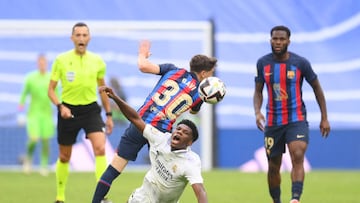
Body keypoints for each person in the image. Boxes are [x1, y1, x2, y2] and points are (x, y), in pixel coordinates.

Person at [92, 40, 217, 202]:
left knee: (115, 167)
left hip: (140, 122)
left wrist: (142, 54)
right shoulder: (200, 94)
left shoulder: (173, 70)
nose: (211, 77)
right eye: (211, 73)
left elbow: (143, 66)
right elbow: (193, 110)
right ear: (204, 74)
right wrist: (206, 95)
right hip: (161, 134)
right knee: (168, 176)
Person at [253, 25, 331, 203]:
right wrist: (257, 112)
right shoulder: (263, 63)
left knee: (297, 154)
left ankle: (295, 198)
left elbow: (317, 89)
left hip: (297, 118)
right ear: (270, 40)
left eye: (282, 39)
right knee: (273, 166)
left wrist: (324, 117)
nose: (278, 42)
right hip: (273, 121)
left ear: (289, 41)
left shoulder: (300, 63)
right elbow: (258, 91)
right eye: (275, 39)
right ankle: (277, 201)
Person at [100, 86, 208, 203]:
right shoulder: (160, 138)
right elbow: (135, 119)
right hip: (140, 199)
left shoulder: (191, 162)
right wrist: (115, 98)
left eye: (185, 132)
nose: (179, 132)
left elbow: (200, 192)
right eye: (178, 129)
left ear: (190, 142)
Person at [48, 22, 114, 203]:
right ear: (72, 38)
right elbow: (51, 90)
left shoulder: (98, 62)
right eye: (78, 35)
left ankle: (101, 197)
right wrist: (61, 107)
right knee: (64, 156)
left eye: (85, 35)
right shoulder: (61, 60)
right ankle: (60, 196)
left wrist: (108, 115)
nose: (81, 38)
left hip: (91, 110)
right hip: (68, 110)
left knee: (100, 148)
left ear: (89, 38)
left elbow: (103, 90)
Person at [18, 54, 56, 176]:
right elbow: (24, 94)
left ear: (46, 64)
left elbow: (57, 93)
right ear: (37, 64)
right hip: (33, 114)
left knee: (45, 141)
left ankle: (43, 166)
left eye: (44, 63)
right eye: (40, 63)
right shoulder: (31, 78)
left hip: (47, 114)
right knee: (33, 139)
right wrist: (21, 106)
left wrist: (60, 105)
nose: (42, 65)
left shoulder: (51, 78)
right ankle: (28, 159)